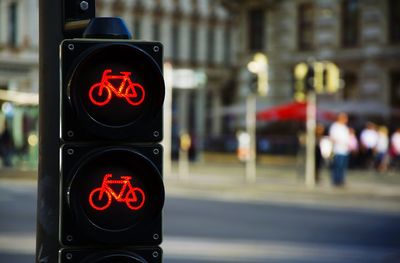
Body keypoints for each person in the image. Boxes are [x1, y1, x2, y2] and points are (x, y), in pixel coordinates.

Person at [329, 113, 350, 186]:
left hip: (345, 150)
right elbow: (332, 138)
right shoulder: (335, 126)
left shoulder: (345, 127)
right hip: (337, 150)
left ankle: (341, 180)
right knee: (337, 166)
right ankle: (336, 181)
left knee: (342, 167)